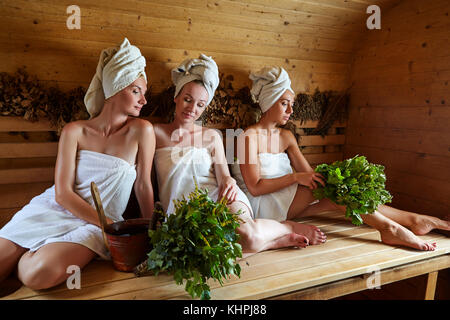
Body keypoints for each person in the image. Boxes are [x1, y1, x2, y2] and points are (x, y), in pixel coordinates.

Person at [231, 66, 450, 252]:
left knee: (340, 198)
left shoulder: (286, 136)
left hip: (288, 201)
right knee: (336, 191)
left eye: (293, 104)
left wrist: (330, 174)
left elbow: (310, 175)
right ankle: (393, 228)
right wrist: (297, 177)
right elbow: (255, 187)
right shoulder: (247, 137)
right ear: (269, 102)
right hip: (264, 205)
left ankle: (412, 221)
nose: (291, 110)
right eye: (284, 103)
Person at [0, 38, 155, 290]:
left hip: (99, 224)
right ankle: (22, 251)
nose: (143, 100)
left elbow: (143, 185)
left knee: (38, 275)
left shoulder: (141, 131)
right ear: (115, 88)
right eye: (136, 90)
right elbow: (62, 194)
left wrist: (151, 234)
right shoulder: (75, 131)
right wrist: (108, 225)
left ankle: (24, 259)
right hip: (54, 209)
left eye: (144, 93)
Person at [153, 55, 326, 255]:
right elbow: (144, 183)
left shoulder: (212, 135)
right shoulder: (154, 133)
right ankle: (272, 241)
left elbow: (224, 176)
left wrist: (229, 181)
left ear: (205, 107)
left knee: (248, 236)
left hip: (221, 197)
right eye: (187, 100)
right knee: (211, 250)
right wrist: (147, 221)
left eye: (200, 104)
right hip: (183, 209)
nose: (192, 109)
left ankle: (287, 227)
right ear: (176, 97)